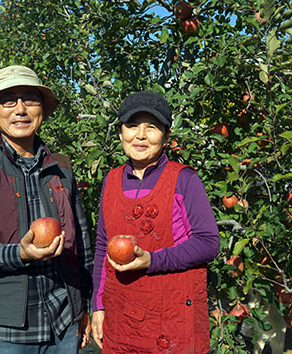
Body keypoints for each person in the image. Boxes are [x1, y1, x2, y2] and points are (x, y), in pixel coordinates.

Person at [0, 65, 93, 353]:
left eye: (30, 99)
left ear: (42, 110)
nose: (20, 109)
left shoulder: (61, 167)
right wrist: (19, 253)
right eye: (8, 100)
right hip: (3, 332)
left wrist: (84, 305)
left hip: (62, 324)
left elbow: (83, 243)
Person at [91, 91, 220, 353]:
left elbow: (209, 243)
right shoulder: (112, 181)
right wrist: (98, 305)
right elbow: (103, 247)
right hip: (122, 318)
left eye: (151, 127)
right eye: (132, 125)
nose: (140, 135)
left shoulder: (184, 180)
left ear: (166, 136)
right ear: (120, 132)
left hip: (170, 320)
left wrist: (152, 260)